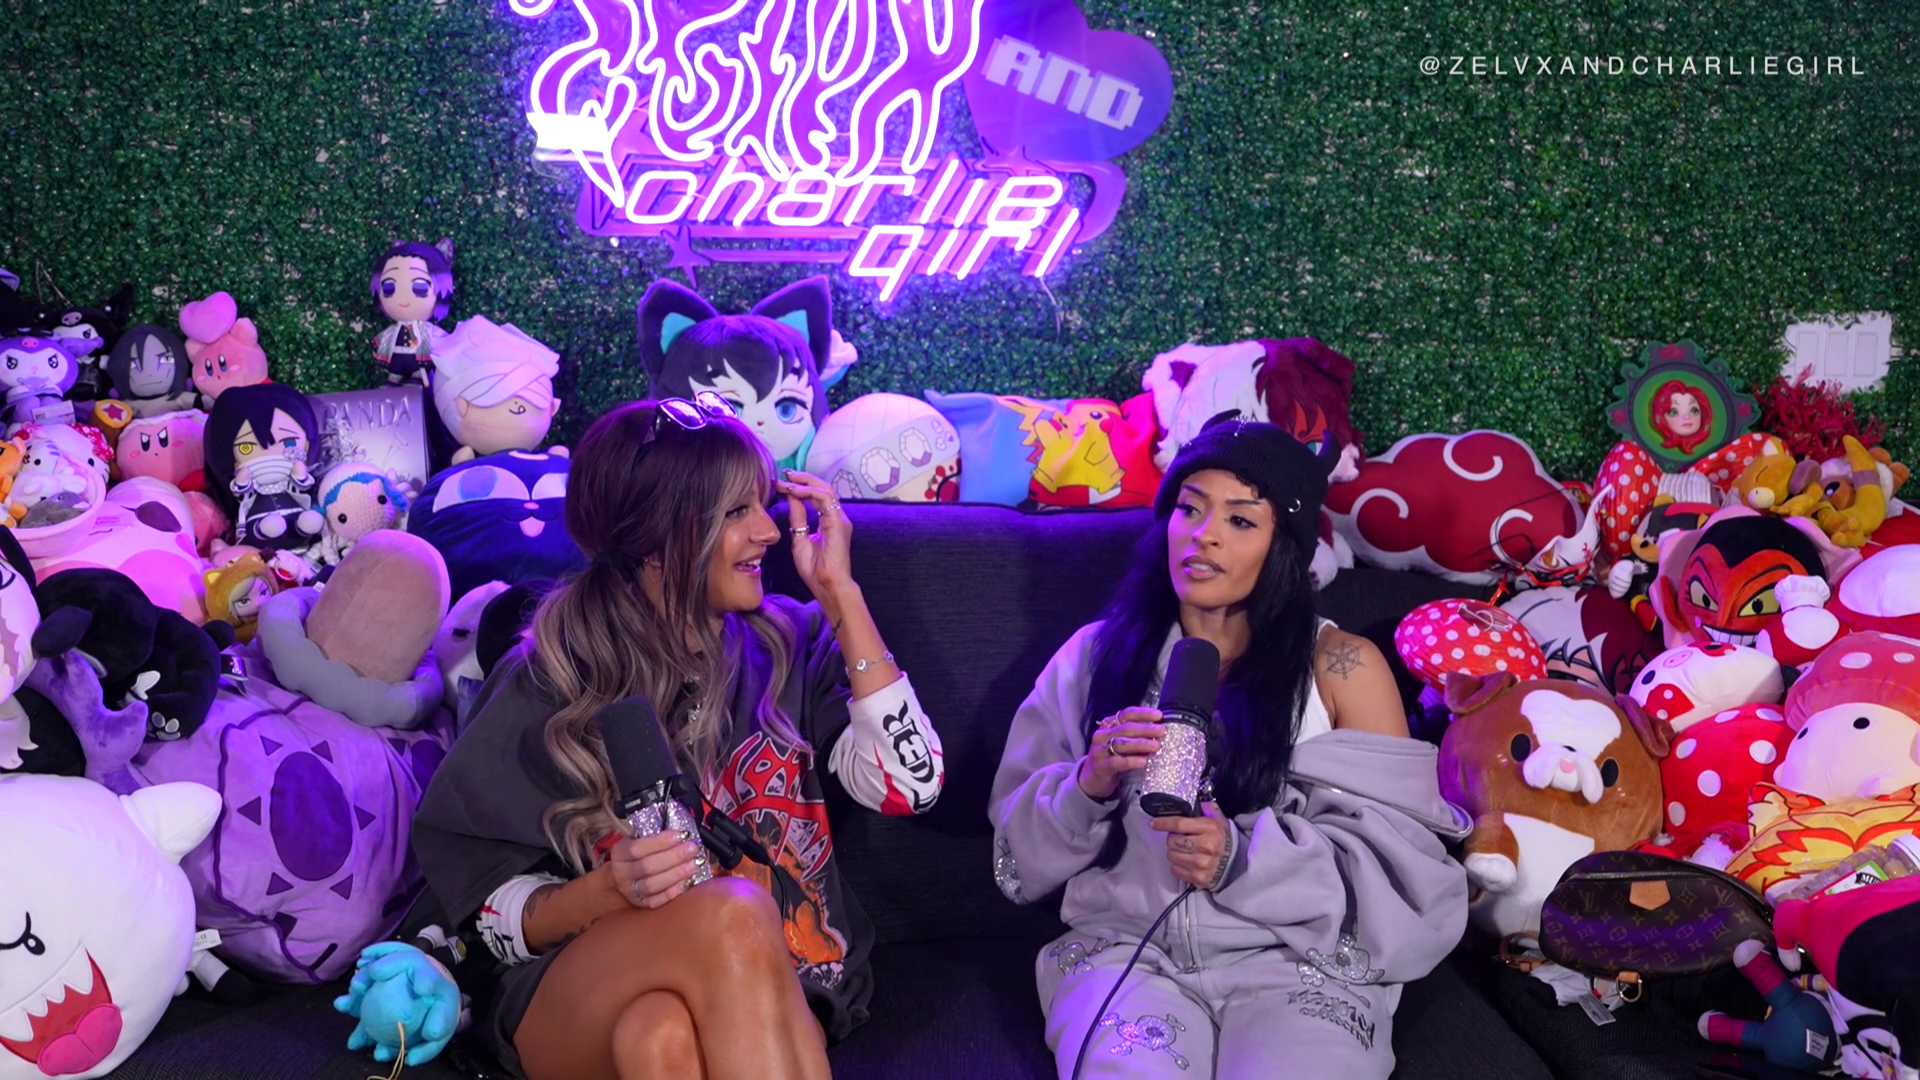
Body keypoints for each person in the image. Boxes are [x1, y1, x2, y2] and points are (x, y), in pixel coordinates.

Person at [412, 391, 945, 1080]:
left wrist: (841, 594)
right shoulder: (550, 677)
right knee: (735, 913)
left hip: (780, 980)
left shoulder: (792, 642)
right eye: (736, 512)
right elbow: (478, 910)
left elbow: (912, 787)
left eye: (761, 504)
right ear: (654, 541)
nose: (770, 532)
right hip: (576, 984)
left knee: (658, 1038)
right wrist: (608, 891)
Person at [989, 413, 1469, 1080]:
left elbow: (1401, 881)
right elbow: (1014, 863)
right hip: (1126, 956)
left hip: (1298, 964)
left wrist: (1242, 860)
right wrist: (1086, 787)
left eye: (1240, 520)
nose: (1204, 534)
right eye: (1189, 509)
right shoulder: (1092, 660)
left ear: (1284, 546)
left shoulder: (1341, 668)